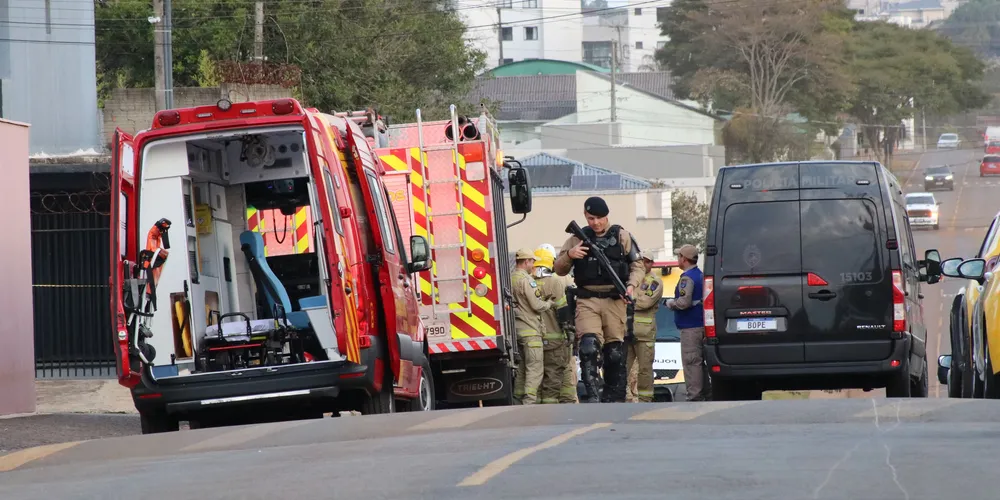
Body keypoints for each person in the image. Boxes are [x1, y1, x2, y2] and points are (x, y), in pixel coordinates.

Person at [554, 197, 645, 403]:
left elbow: (637, 265)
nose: (595, 223)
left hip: (615, 299)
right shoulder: (577, 238)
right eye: (590, 218)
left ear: (607, 216)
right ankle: (594, 397)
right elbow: (559, 269)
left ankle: (613, 397)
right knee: (588, 347)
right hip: (587, 299)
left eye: (599, 218)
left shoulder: (622, 235)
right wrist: (570, 254)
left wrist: (630, 286)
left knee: (614, 354)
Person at [665, 244, 710, 402]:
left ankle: (694, 397)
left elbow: (684, 302)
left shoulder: (687, 278)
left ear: (684, 259)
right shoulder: (700, 274)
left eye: (679, 256)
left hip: (690, 327)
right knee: (700, 362)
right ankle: (705, 394)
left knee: (691, 362)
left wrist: (671, 303)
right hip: (701, 324)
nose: (678, 259)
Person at [511, 248, 552, 404]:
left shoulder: (510, 278)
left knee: (521, 368)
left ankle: (517, 399)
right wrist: (548, 303)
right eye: (532, 262)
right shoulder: (527, 280)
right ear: (526, 261)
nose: (533, 265)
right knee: (534, 368)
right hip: (531, 330)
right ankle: (529, 401)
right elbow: (536, 305)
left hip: (517, 331)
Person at [533, 246, 571, 404]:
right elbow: (562, 311)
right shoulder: (555, 282)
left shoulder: (528, 283)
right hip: (554, 340)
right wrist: (569, 330)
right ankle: (549, 409)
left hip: (533, 340)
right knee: (553, 377)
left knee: (535, 378)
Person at [627, 250, 662, 403]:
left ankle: (645, 400)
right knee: (624, 368)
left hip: (644, 333)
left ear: (651, 264)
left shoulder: (655, 282)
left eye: (647, 261)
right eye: (641, 261)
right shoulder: (630, 279)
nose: (643, 264)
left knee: (645, 369)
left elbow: (645, 302)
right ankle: (627, 397)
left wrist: (628, 300)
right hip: (626, 331)